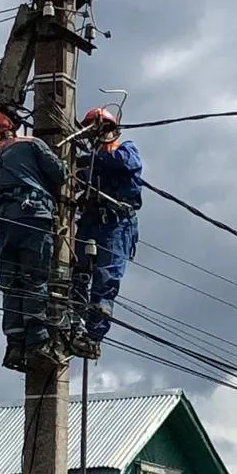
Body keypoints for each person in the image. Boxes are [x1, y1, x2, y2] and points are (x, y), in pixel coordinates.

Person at [0, 110, 67, 372]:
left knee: (12, 285)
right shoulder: (31, 144)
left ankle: (15, 346)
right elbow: (59, 174)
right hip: (33, 217)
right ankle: (38, 342)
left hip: (4, 225)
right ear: (11, 129)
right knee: (34, 278)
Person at [67, 106, 143, 360]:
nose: (94, 139)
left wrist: (89, 160)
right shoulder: (89, 162)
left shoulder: (125, 150)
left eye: (96, 132)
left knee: (105, 279)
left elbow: (125, 163)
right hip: (91, 219)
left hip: (116, 223)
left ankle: (93, 337)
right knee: (77, 273)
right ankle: (73, 328)